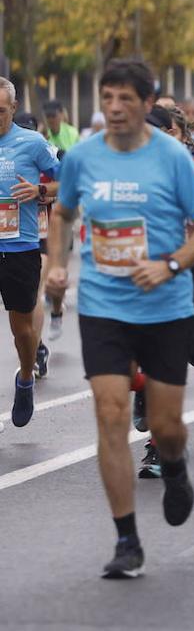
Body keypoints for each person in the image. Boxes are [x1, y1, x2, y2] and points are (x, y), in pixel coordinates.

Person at [46, 59, 194, 579]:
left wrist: (169, 265)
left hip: (165, 307)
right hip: (104, 305)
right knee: (110, 412)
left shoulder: (172, 158)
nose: (116, 108)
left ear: (148, 104)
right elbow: (63, 213)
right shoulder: (82, 158)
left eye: (126, 99)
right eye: (108, 99)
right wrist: (57, 265)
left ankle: (174, 466)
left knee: (166, 425)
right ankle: (127, 539)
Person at [137, 106, 194, 478]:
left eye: (169, 132)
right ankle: (158, 445)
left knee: (190, 350)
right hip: (153, 269)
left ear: (182, 135)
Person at [0, 81, 61, 426]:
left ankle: (25, 376)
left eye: (1, 111)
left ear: (14, 107)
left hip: (18, 246)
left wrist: (41, 189)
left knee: (22, 329)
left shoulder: (32, 142)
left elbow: (67, 181)